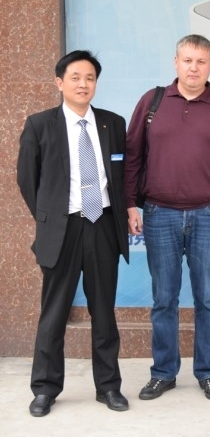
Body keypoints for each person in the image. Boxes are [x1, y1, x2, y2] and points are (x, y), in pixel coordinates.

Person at [124, 34, 210, 401]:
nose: (194, 68)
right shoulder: (152, 101)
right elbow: (133, 156)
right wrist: (130, 204)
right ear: (176, 62)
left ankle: (208, 372)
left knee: (208, 298)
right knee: (164, 299)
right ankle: (163, 373)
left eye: (201, 61)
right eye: (188, 60)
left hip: (209, 215)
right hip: (158, 214)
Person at [17, 50, 129, 417]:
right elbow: (28, 179)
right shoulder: (40, 125)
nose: (83, 84)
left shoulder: (113, 124)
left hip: (102, 226)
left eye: (90, 78)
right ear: (59, 82)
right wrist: (49, 219)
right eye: (76, 77)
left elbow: (122, 176)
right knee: (54, 314)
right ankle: (45, 389)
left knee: (104, 313)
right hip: (62, 230)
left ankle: (108, 386)